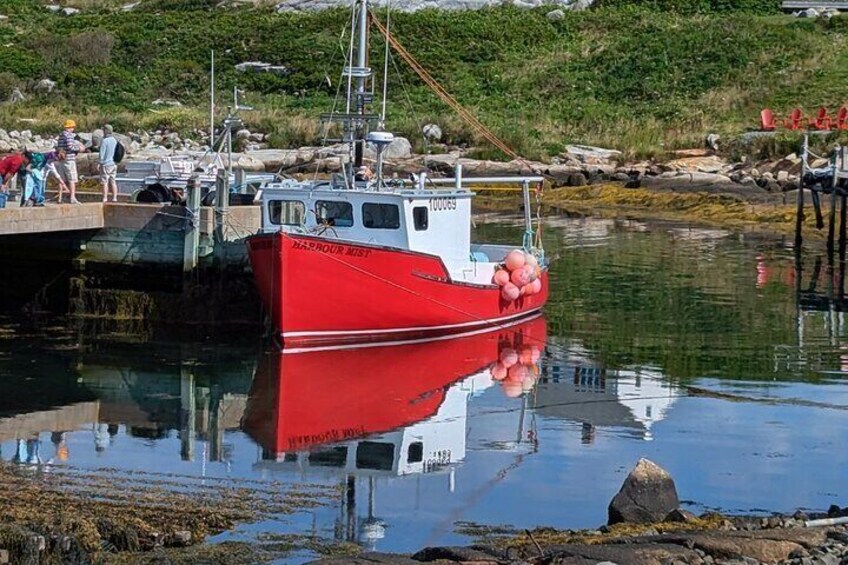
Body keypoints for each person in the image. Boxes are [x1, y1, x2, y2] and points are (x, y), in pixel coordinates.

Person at [56, 118, 82, 204]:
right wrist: (79, 148)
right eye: (73, 127)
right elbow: (70, 147)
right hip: (69, 159)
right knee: (72, 179)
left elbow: (59, 147)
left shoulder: (61, 135)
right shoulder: (69, 135)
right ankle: (72, 197)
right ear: (70, 127)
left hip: (61, 159)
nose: (73, 129)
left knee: (62, 179)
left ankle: (59, 198)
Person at [99, 124, 118, 202]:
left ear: (106, 131)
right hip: (114, 164)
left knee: (105, 182)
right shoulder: (114, 140)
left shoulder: (105, 140)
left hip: (106, 164)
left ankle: (105, 198)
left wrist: (99, 163)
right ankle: (114, 198)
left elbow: (102, 154)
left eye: (104, 130)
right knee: (113, 181)